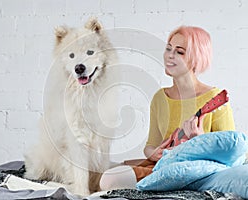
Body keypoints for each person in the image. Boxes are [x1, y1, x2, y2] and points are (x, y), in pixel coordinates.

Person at [99, 25, 235, 190]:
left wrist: (199, 139)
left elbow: (229, 156)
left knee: (111, 180)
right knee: (105, 172)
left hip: (192, 172)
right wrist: (154, 153)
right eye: (168, 49)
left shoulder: (215, 98)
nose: (170, 56)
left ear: (196, 59)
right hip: (159, 166)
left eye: (179, 52)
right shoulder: (159, 98)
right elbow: (150, 146)